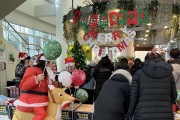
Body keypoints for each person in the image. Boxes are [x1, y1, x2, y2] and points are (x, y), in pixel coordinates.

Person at [128, 50, 177, 120]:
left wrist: (130, 114)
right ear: (161, 60)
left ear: (145, 60)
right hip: (165, 114)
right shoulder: (169, 74)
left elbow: (133, 98)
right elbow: (174, 96)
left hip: (142, 114)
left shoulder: (138, 73)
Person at [13, 53, 49, 120]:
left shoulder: (45, 72)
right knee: (42, 114)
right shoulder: (31, 69)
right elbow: (24, 86)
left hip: (38, 101)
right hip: (30, 101)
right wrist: (36, 79)